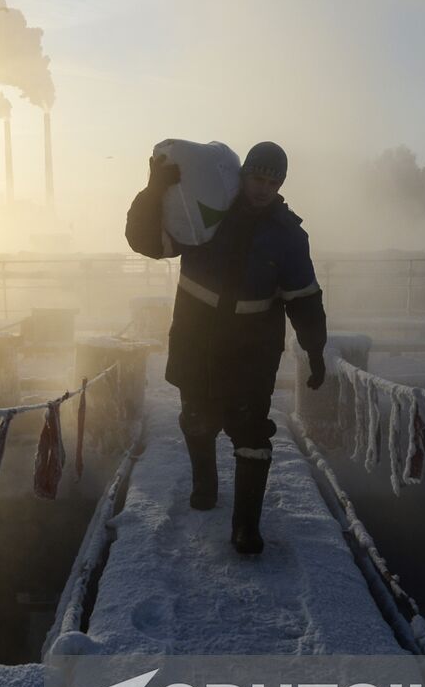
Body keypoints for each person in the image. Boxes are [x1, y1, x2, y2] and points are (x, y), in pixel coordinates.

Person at [125, 141, 327, 555]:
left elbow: (304, 297)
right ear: (243, 175)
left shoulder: (288, 235)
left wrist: (315, 348)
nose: (263, 188)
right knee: (197, 416)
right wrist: (152, 190)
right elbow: (146, 242)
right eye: (257, 177)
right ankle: (205, 483)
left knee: (251, 430)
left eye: (273, 181)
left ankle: (245, 527)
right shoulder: (206, 213)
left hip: (253, 347)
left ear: (282, 184)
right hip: (197, 338)